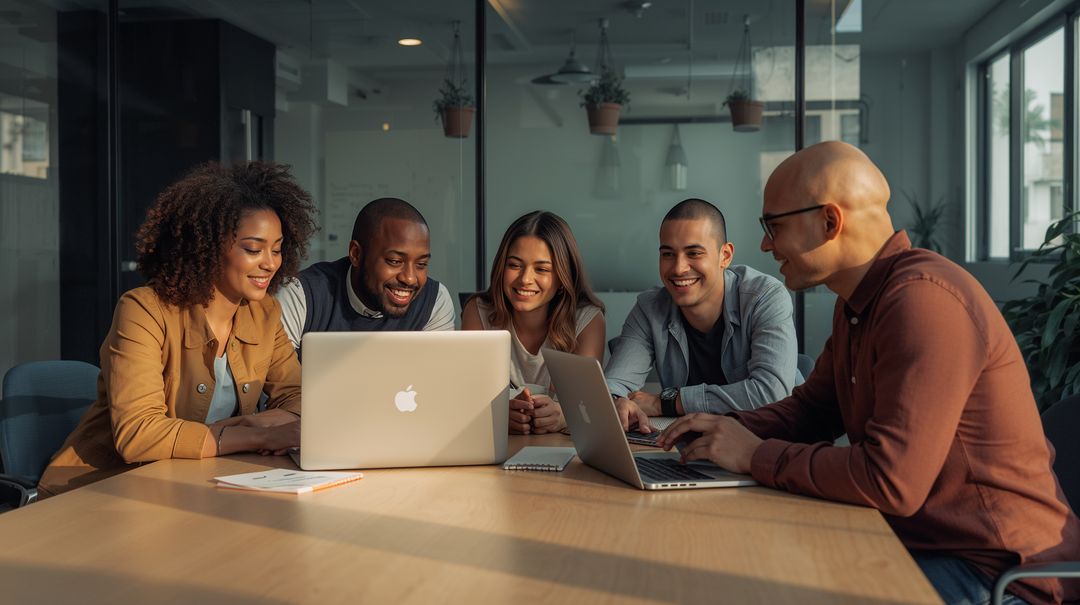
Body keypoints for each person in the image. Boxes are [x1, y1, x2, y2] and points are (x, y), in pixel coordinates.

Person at [657, 142, 1080, 605]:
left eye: (773, 226)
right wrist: (722, 430)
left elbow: (889, 481)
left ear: (830, 222)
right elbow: (811, 411)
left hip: (998, 574)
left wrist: (755, 455)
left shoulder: (924, 301)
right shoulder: (858, 305)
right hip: (919, 543)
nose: (765, 244)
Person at [39, 161, 319, 498]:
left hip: (193, 485)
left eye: (276, 249)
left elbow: (301, 401)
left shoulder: (265, 313)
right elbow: (139, 435)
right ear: (209, 246)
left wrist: (249, 424)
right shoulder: (143, 310)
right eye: (253, 249)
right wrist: (262, 435)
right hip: (99, 490)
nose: (270, 263)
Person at [606, 198, 799, 433]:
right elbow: (614, 385)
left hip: (770, 445)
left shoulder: (764, 296)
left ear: (725, 256)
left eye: (694, 253)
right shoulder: (650, 308)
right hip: (691, 450)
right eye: (668, 254)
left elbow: (771, 393)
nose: (678, 268)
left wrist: (666, 402)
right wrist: (619, 403)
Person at [462, 211, 605, 435]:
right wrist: (497, 415)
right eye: (515, 265)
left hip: (562, 451)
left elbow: (588, 406)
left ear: (562, 277)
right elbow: (467, 398)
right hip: (495, 447)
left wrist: (562, 416)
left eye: (542, 269)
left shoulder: (588, 320)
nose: (525, 279)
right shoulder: (477, 311)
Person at [276, 197, 454, 352]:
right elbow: (279, 384)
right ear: (356, 254)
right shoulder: (301, 295)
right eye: (394, 261)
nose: (409, 278)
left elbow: (438, 381)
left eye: (421, 264)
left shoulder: (434, 301)